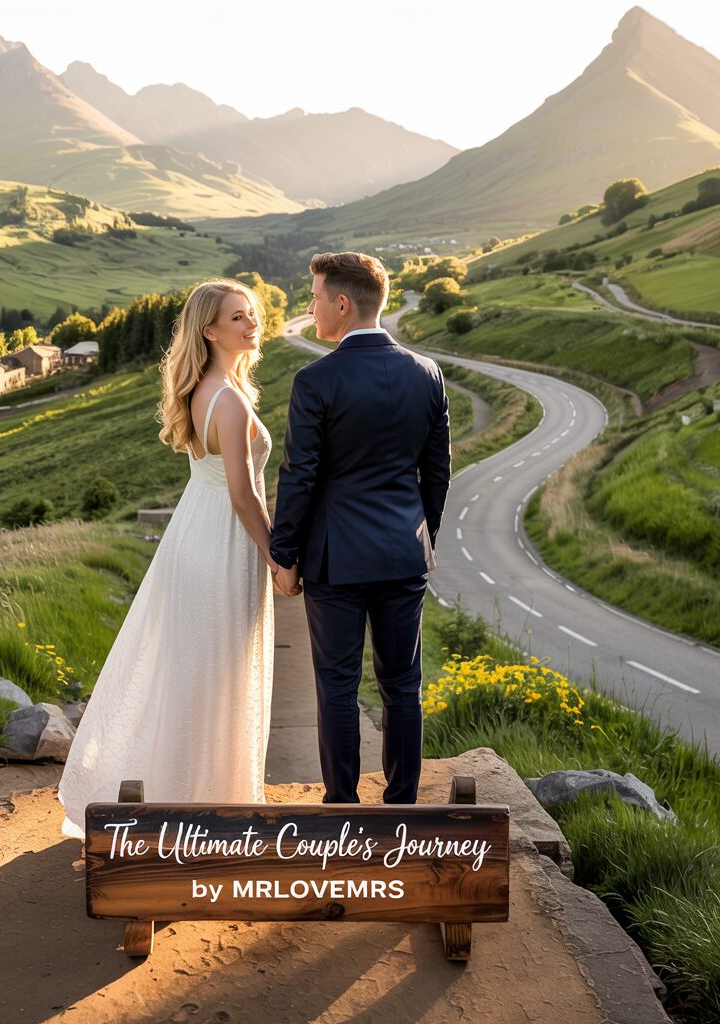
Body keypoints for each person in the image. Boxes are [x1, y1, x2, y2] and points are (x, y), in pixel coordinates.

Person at [57, 278, 278, 841]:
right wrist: (278, 557)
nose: (251, 323)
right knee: (218, 673)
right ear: (210, 331)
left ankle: (188, 799)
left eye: (251, 313)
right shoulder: (229, 400)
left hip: (195, 533)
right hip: (223, 541)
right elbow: (243, 495)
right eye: (237, 317)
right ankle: (209, 807)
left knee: (194, 672)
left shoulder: (211, 389)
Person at [270, 251, 451, 805]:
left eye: (315, 298)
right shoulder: (427, 373)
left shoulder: (315, 380)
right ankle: (402, 805)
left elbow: (300, 475)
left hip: (336, 559)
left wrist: (284, 555)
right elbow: (437, 474)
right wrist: (419, 538)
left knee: (337, 686)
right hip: (404, 554)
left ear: (343, 304)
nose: (311, 309)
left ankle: (343, 807)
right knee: (403, 686)